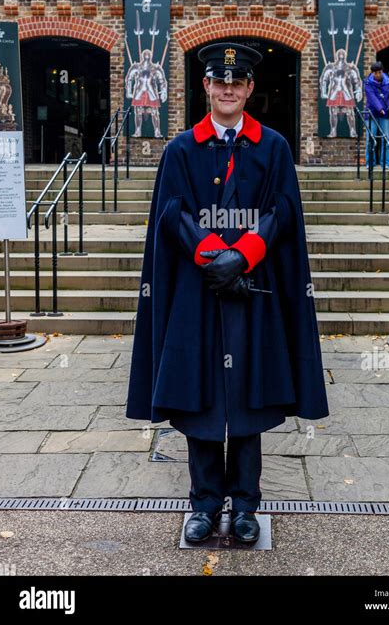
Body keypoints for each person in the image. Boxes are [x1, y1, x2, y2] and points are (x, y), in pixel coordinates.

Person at [126, 41, 329, 545]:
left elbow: (282, 210)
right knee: (198, 399)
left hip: (254, 290)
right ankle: (204, 503)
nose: (229, 89)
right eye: (220, 82)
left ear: (250, 89)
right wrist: (216, 257)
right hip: (197, 295)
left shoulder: (273, 147)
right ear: (206, 87)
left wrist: (244, 255)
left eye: (237, 83)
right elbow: (174, 213)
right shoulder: (180, 149)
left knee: (247, 397)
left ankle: (244, 506)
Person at [363, 61, 389, 169]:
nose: (377, 75)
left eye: (379, 72)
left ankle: (385, 162)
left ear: (382, 71)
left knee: (385, 139)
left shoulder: (388, 83)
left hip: (385, 115)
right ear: (372, 73)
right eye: (375, 73)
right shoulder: (367, 83)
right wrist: (380, 109)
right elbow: (372, 98)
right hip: (372, 114)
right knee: (371, 139)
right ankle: (370, 162)